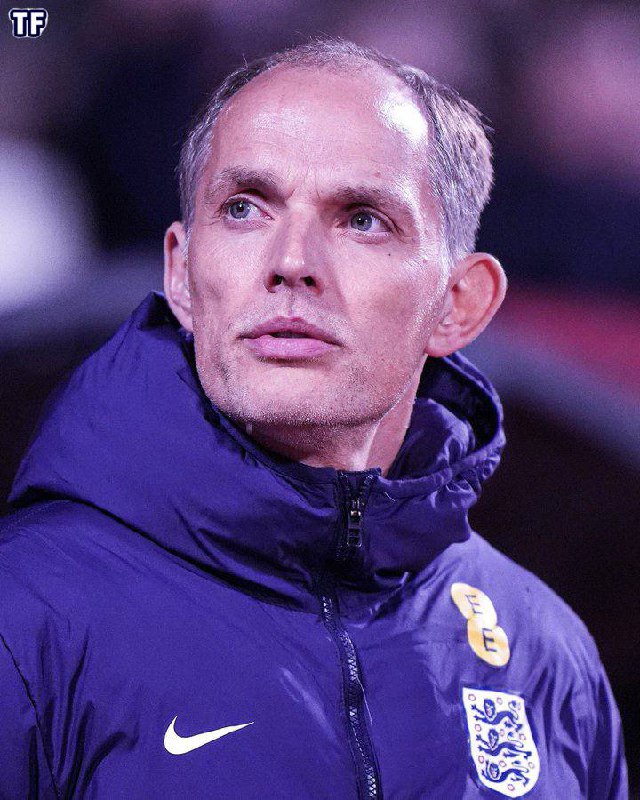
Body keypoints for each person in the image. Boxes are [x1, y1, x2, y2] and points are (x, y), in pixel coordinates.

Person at [0, 38, 627, 799]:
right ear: (182, 274)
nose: (291, 259)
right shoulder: (25, 614)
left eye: (361, 219)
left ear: (459, 304)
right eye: (243, 209)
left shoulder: (545, 654)